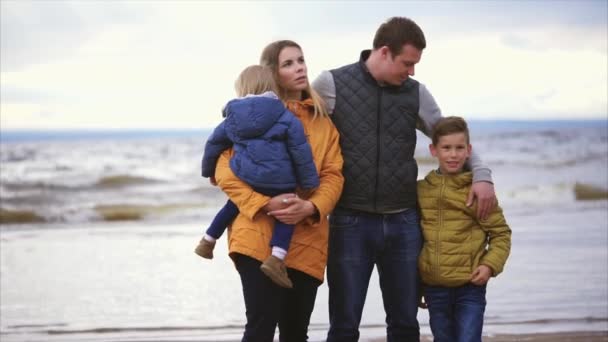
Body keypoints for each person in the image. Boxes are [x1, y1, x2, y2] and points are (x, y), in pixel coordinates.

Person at [312, 17, 497, 341]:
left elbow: (449, 136)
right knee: (343, 324)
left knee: (405, 323)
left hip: (404, 223)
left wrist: (482, 176)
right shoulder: (332, 83)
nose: (412, 71)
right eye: (407, 63)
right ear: (384, 52)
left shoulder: (416, 93)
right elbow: (297, 121)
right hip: (349, 220)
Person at [213, 40, 344, 341]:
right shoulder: (249, 117)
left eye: (301, 60)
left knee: (296, 333)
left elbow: (333, 175)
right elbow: (224, 169)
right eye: (288, 63)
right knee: (260, 329)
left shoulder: (323, 124)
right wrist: (263, 203)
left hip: (308, 238)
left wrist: (311, 208)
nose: (300, 67)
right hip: (257, 234)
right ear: (272, 73)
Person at [194, 65, 320, 289]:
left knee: (232, 205)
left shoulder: (232, 118)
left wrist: (209, 171)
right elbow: (301, 152)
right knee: (286, 214)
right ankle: (277, 258)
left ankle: (207, 241)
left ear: (242, 88)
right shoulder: (285, 115)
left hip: (248, 177)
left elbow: (214, 143)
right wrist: (309, 184)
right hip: (281, 180)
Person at [417, 116, 511, 342]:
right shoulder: (421, 191)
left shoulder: (478, 193)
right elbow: (415, 239)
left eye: (459, 148)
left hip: (470, 287)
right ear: (433, 150)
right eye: (446, 148)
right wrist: (417, 283)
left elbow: (501, 234)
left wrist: (489, 266)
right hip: (435, 289)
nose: (453, 154)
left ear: (469, 151)